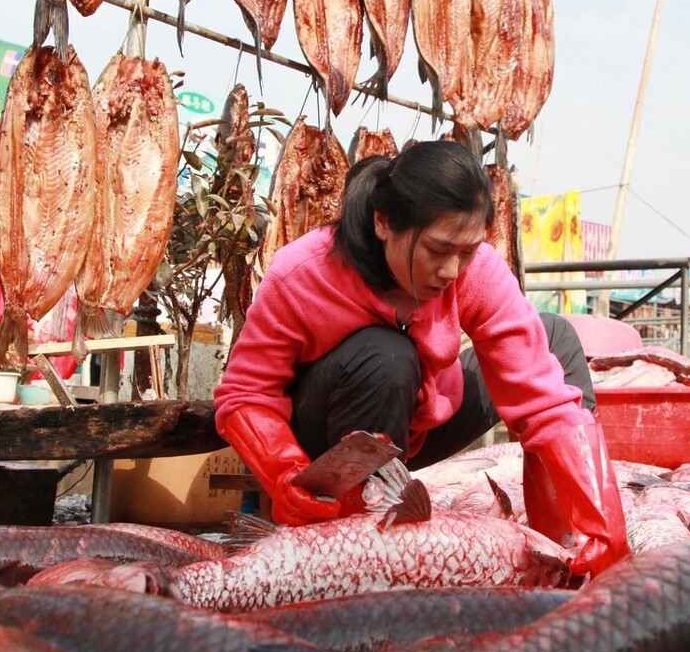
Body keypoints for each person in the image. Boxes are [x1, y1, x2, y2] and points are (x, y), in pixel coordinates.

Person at [212, 139, 628, 578]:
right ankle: (363, 552)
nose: (452, 271)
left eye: (467, 251)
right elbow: (245, 395)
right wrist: (284, 472)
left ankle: (560, 545)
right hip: (325, 445)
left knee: (554, 337)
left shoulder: (476, 271)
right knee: (385, 356)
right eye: (438, 250)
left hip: (415, 427)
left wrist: (602, 523)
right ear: (384, 223)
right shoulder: (302, 272)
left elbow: (543, 399)